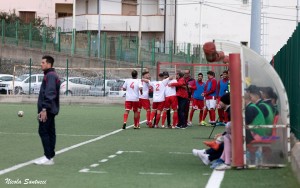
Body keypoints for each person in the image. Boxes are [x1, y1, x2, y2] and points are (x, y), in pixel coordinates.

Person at [34, 55, 60, 165]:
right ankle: (50, 156)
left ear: (49, 64)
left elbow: (50, 93)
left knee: (43, 131)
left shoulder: (50, 75)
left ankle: (48, 157)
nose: (41, 64)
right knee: (50, 132)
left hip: (48, 109)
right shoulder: (51, 75)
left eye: (43, 62)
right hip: (50, 108)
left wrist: (44, 108)